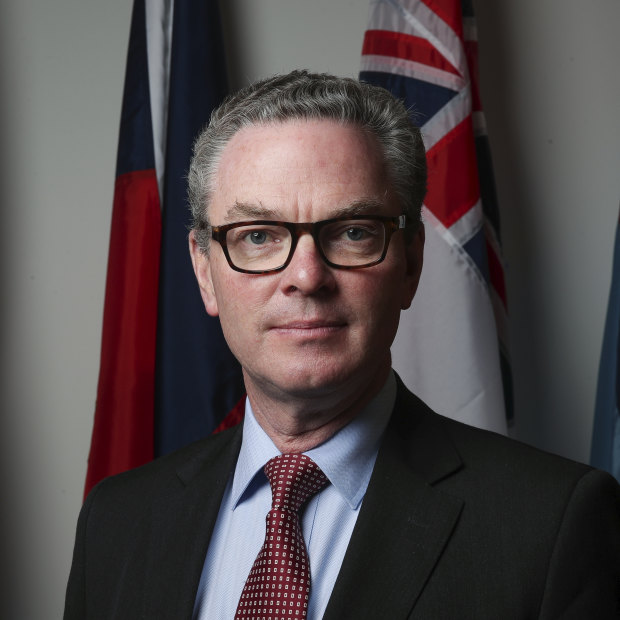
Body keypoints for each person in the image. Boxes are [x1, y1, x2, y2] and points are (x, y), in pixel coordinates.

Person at [64, 70, 620, 619]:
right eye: (258, 235)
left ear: (412, 262)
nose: (306, 276)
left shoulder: (551, 526)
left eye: (353, 231)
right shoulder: (117, 521)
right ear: (205, 272)